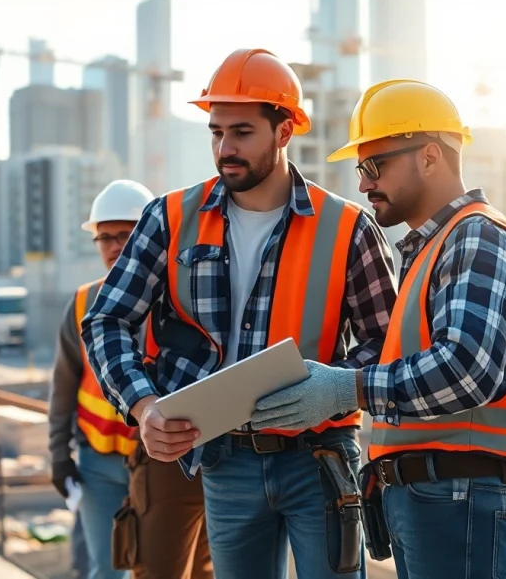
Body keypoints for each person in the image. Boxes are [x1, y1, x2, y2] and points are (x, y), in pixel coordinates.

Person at [81, 48, 397, 579]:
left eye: (242, 133)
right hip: (223, 460)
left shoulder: (348, 228)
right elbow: (106, 320)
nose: (224, 149)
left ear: (284, 131)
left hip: (320, 456)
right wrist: (142, 406)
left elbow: (387, 344)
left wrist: (334, 386)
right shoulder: (170, 218)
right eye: (215, 132)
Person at [250, 79, 506, 578]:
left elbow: (466, 369)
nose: (363, 183)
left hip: (464, 495)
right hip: (443, 497)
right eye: (360, 169)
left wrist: (344, 387)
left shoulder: (476, 240)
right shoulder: (435, 250)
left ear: (430, 157)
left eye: (375, 166)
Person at [49, 179, 155, 579]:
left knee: (160, 568)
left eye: (124, 236)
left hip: (159, 463)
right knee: (106, 570)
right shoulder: (81, 304)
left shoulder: (176, 303)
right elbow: (62, 389)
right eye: (104, 237)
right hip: (97, 465)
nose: (113, 247)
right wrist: (59, 455)